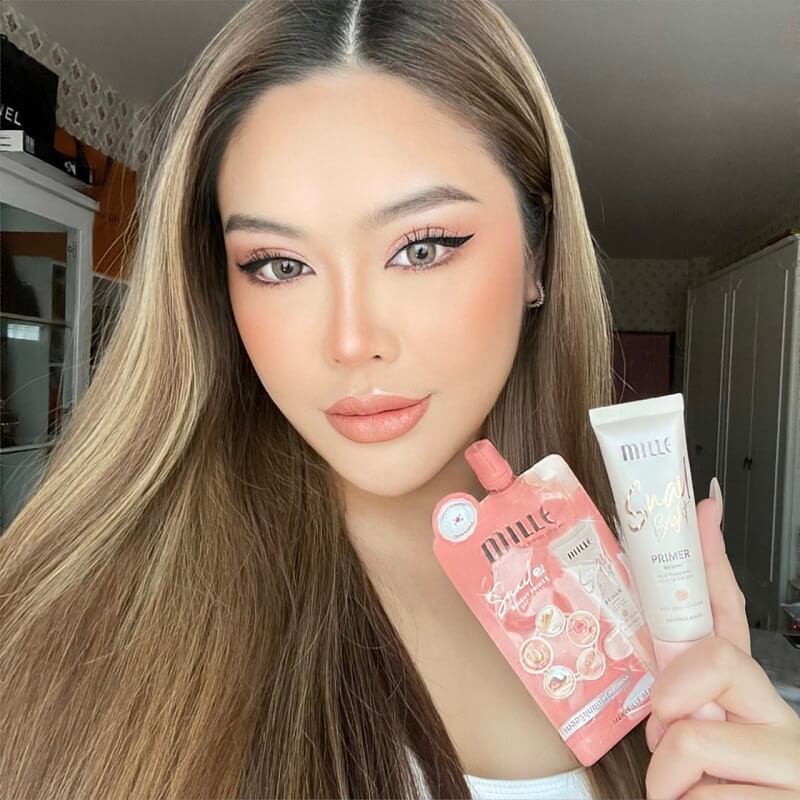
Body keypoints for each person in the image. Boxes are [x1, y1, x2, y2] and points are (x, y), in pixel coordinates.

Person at [1, 1, 798, 798]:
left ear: (538, 257)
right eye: (278, 264)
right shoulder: (87, 619)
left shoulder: (621, 590)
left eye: (421, 248)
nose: (351, 342)